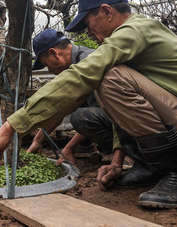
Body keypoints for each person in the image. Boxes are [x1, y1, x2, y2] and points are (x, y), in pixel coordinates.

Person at [0, 0, 177, 209]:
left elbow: (84, 76)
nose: (88, 33)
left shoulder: (134, 31)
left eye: (88, 23)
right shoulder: (136, 36)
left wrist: (11, 126)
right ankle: (149, 168)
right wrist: (118, 160)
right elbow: (122, 109)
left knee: (107, 77)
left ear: (106, 12)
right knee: (106, 79)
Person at [27, 28, 114, 166]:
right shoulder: (74, 65)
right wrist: (37, 141)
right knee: (78, 107)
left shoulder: (88, 62)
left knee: (81, 117)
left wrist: (68, 148)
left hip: (126, 123)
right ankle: (86, 145)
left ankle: (124, 153)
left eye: (45, 64)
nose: (49, 70)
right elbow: (61, 106)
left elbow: (102, 114)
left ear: (54, 53)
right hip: (111, 117)